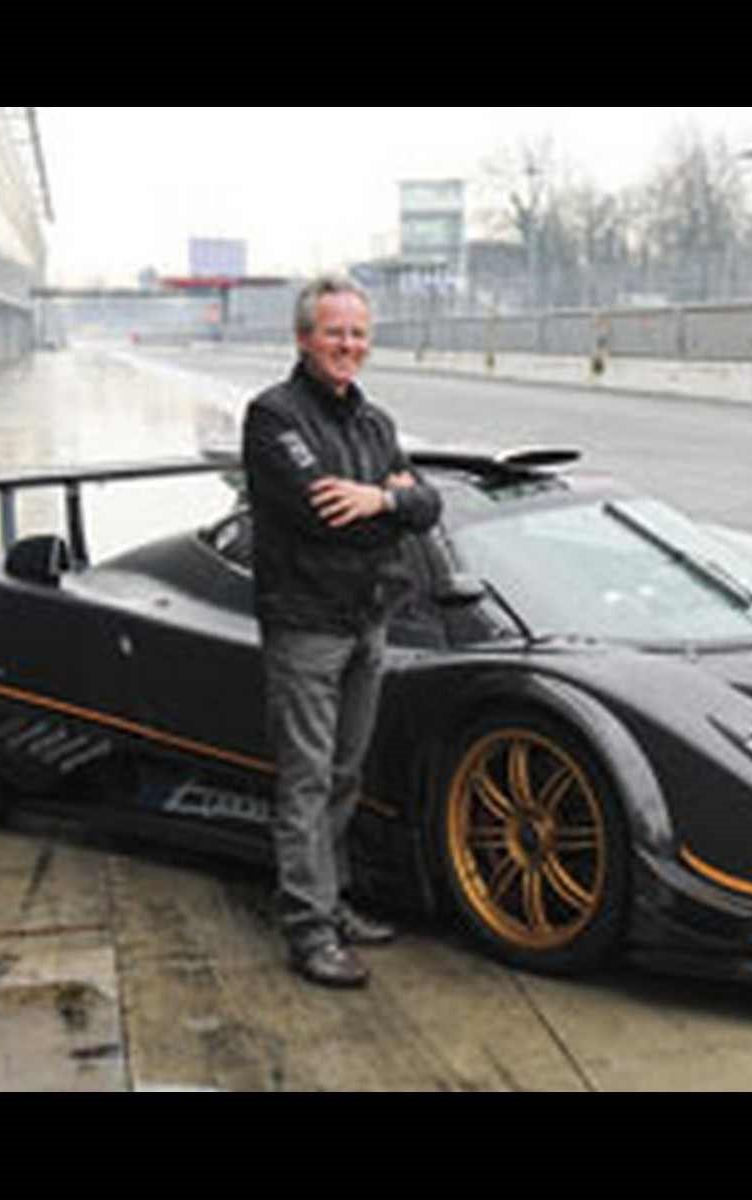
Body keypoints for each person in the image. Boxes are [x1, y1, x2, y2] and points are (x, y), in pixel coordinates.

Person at [242, 274, 442, 988]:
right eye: (334, 333)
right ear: (304, 338)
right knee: (305, 779)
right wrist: (390, 502)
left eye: (358, 334)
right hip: (306, 624)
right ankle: (308, 929)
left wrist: (379, 500)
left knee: (345, 774)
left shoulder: (375, 423)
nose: (348, 345)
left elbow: (429, 506)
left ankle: (334, 901)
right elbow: (321, 513)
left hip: (367, 620)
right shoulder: (273, 416)